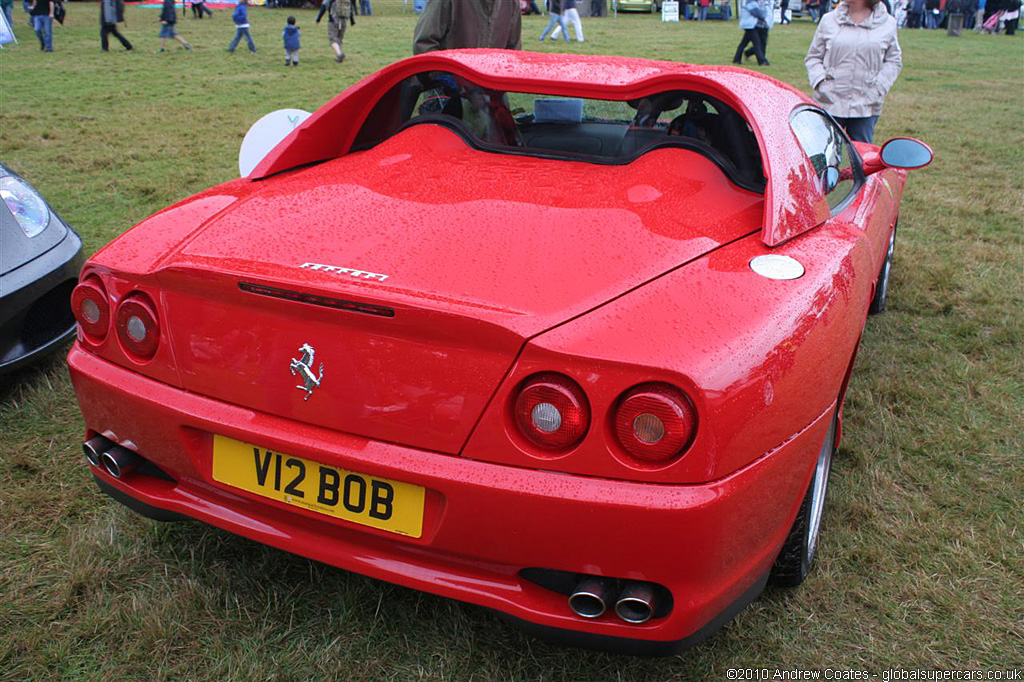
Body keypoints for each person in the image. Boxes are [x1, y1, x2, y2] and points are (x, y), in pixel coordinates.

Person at [805, 0, 902, 143]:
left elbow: (894, 61)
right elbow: (813, 57)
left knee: (861, 157)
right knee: (823, 155)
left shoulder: (887, 23)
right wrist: (821, 82)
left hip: (866, 105)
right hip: (830, 102)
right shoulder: (829, 20)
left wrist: (878, 88)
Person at [413, 0, 522, 53]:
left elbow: (513, 51)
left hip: (492, 90)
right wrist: (444, 79)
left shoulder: (511, 3)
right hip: (449, 89)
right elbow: (424, 43)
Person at [733, 0, 769, 65]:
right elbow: (758, 13)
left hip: (753, 25)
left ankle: (736, 59)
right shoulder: (750, 2)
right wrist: (764, 14)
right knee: (756, 43)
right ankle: (762, 61)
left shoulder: (757, 2)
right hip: (750, 25)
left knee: (744, 43)